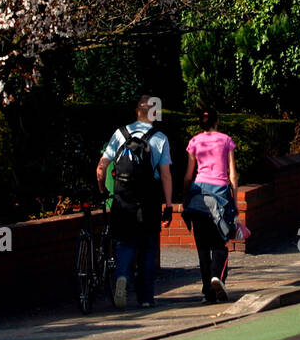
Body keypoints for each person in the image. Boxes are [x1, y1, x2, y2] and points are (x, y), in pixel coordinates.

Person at [97, 94, 173, 308]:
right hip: (149, 197)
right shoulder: (160, 138)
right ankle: (146, 297)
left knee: (125, 242)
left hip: (123, 197)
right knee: (148, 245)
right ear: (153, 112)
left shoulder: (120, 134)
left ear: (136, 111)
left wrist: (103, 191)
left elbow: (101, 168)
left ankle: (121, 276)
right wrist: (168, 205)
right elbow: (166, 175)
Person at [182, 109, 239, 304]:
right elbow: (232, 175)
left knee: (202, 247)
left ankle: (208, 291)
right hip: (220, 195)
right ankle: (217, 277)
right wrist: (235, 201)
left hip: (198, 195)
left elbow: (189, 175)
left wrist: (185, 197)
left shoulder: (195, 142)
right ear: (217, 121)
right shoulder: (226, 140)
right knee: (220, 242)